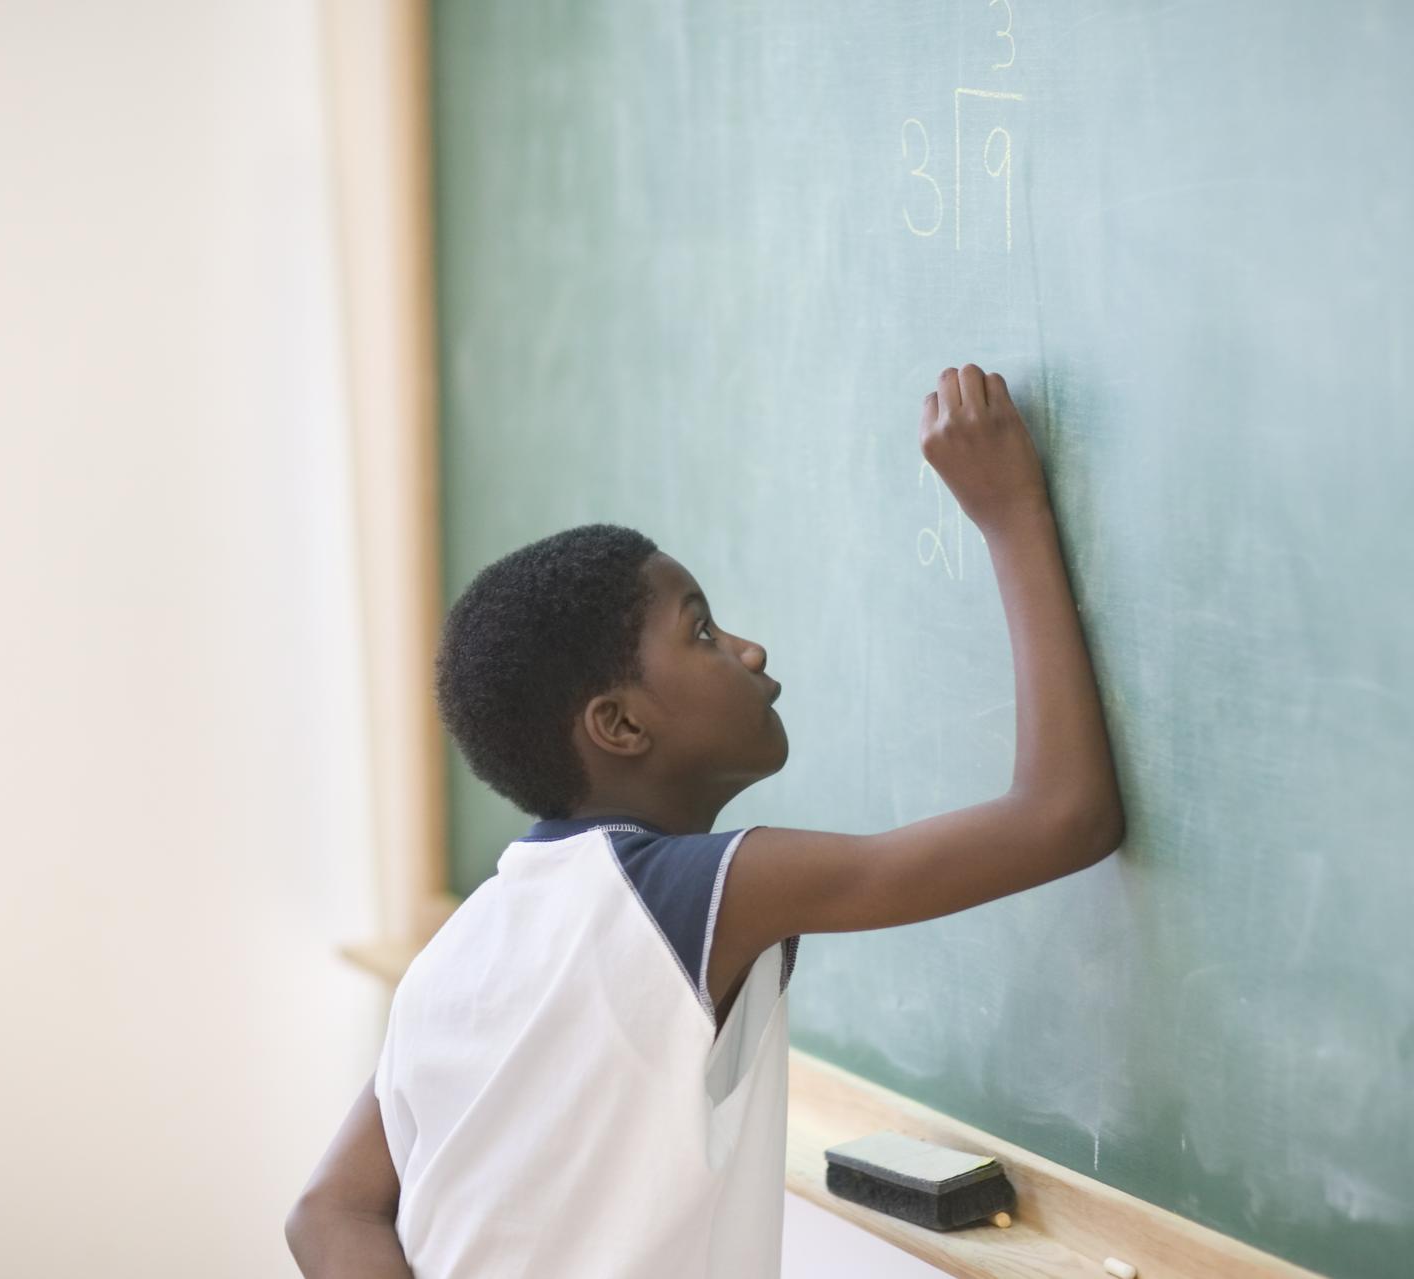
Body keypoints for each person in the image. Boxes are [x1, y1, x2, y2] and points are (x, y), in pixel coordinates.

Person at [285, 363, 1126, 1278]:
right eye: (701, 630)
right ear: (619, 723)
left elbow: (328, 1213)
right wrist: (1010, 514)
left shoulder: (461, 947)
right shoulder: (685, 897)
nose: (746, 648)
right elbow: (1064, 815)